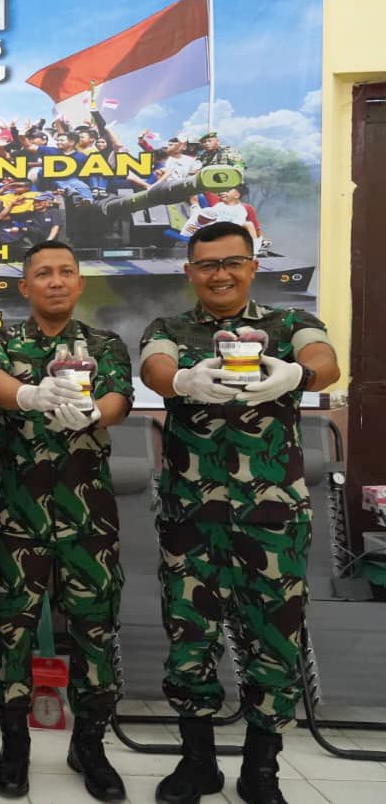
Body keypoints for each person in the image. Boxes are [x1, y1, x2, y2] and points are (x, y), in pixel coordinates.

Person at [139, 222, 340, 804]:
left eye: (232, 262)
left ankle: (261, 770)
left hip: (272, 518)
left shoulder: (288, 324)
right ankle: (197, 763)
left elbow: (325, 360)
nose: (220, 274)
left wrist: (298, 374)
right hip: (191, 517)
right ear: (190, 272)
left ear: (253, 266)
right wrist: (183, 380)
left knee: (273, 642)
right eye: (207, 265)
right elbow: (154, 369)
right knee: (189, 641)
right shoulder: (170, 328)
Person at [0, 240, 132, 802]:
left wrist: (94, 413)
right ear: (26, 286)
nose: (56, 281)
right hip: (20, 519)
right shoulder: (0, 342)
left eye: (66, 272)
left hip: (89, 521)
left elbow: (119, 399)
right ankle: (14, 745)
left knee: (94, 632)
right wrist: (30, 394)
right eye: (43, 273)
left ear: (79, 283)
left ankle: (89, 745)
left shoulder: (105, 344)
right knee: (13, 633)